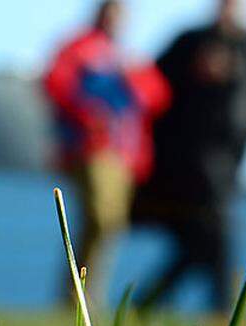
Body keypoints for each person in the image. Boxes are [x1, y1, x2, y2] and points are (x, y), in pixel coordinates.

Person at [133, 0, 246, 312]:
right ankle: (224, 309)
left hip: (231, 160)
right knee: (216, 230)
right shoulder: (190, 41)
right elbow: (150, 86)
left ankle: (147, 304)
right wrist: (194, 71)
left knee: (199, 242)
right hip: (186, 161)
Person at [44, 1, 170, 306]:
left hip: (125, 154)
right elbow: (55, 82)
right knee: (101, 217)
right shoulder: (80, 48)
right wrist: (87, 113)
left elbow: (158, 95)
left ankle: (86, 297)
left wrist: (131, 78)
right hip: (91, 148)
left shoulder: (127, 58)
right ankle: (76, 297)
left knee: (109, 223)